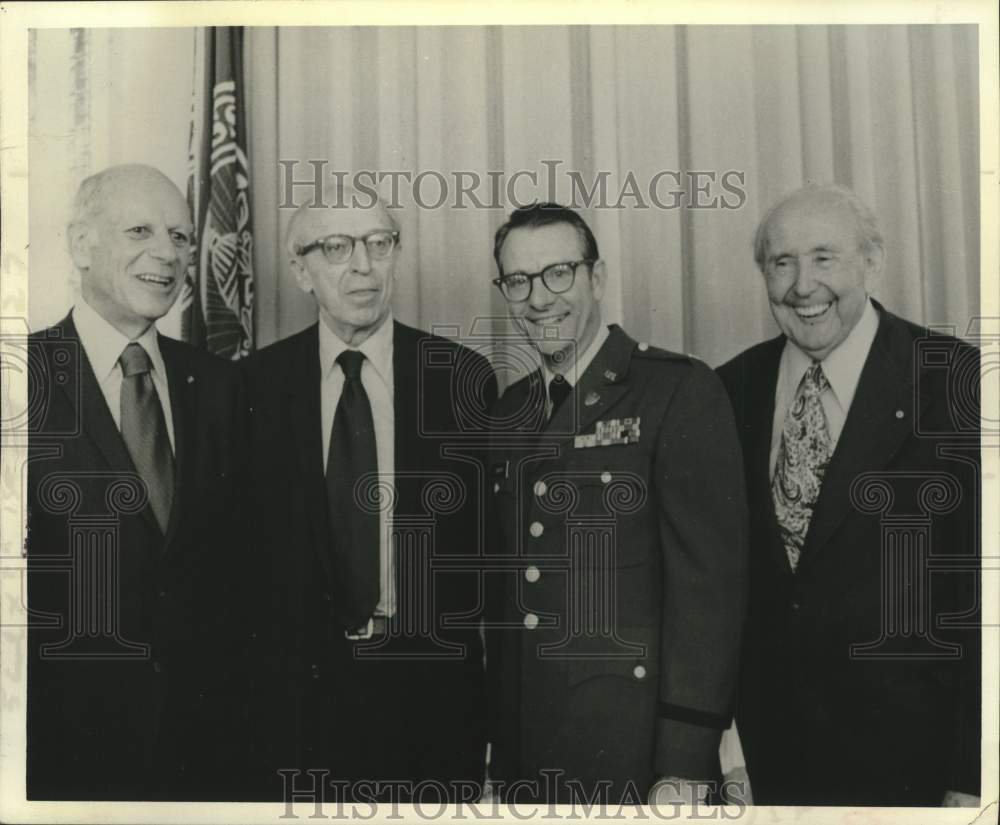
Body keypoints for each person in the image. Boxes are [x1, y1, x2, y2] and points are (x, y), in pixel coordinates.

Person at [717, 184, 981, 806]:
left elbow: (982, 598)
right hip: (772, 762)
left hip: (914, 764)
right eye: (782, 263)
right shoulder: (731, 389)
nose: (802, 285)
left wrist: (971, 776)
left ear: (873, 259)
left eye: (824, 258)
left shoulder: (952, 382)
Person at [485, 203, 748, 805]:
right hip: (528, 748)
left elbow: (709, 596)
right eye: (518, 281)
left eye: (559, 273)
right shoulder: (509, 410)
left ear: (596, 280)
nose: (539, 298)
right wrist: (499, 751)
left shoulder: (676, 389)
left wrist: (685, 762)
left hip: (632, 749)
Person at [243, 189, 497, 802]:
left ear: (396, 256)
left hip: (432, 700)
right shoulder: (251, 387)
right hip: (296, 703)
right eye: (336, 248)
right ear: (300, 270)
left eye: (378, 244)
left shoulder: (461, 378)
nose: (363, 266)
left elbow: (490, 559)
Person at [26, 164, 248, 799]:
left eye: (180, 237)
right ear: (80, 244)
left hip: (205, 755)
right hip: (59, 753)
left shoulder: (223, 386)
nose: (167, 254)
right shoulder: (19, 379)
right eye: (139, 231)